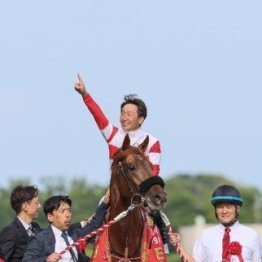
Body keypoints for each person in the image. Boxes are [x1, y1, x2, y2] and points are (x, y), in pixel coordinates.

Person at [74, 74, 169, 251]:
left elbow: (154, 171)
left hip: (142, 194)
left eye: (129, 114)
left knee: (158, 219)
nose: (124, 117)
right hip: (115, 192)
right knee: (96, 220)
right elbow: (98, 116)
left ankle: (163, 246)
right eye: (122, 113)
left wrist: (144, 194)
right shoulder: (113, 135)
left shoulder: (153, 141)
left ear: (140, 119)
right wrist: (85, 94)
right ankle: (83, 249)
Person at [22, 193, 109, 262]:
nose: (68, 215)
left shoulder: (75, 234)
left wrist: (105, 203)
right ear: (50, 217)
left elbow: (94, 226)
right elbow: (27, 260)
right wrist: (47, 259)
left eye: (69, 211)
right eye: (62, 211)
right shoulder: (40, 239)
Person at [192, 184, 262, 261]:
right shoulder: (205, 236)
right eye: (220, 207)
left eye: (229, 207)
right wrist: (179, 245)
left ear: (237, 208)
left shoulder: (251, 235)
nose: (224, 211)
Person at [0, 185, 42, 262]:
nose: (39, 206)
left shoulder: (36, 227)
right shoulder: (10, 232)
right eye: (36, 202)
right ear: (25, 206)